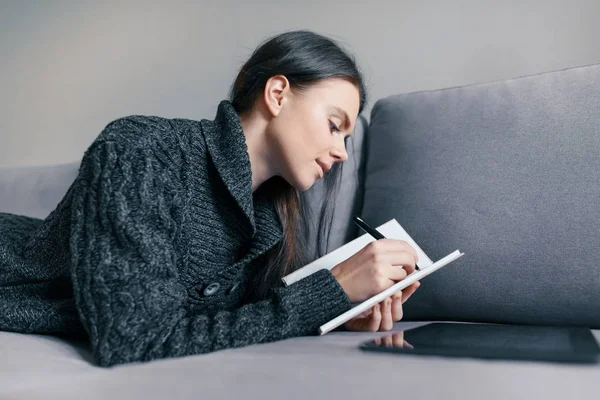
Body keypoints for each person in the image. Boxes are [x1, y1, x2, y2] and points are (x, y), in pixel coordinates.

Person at [0, 29, 420, 368]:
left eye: (347, 137)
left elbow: (234, 321)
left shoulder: (268, 222)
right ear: (277, 94)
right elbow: (133, 338)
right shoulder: (142, 149)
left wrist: (335, 310)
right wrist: (327, 291)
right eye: (333, 125)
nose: (342, 152)